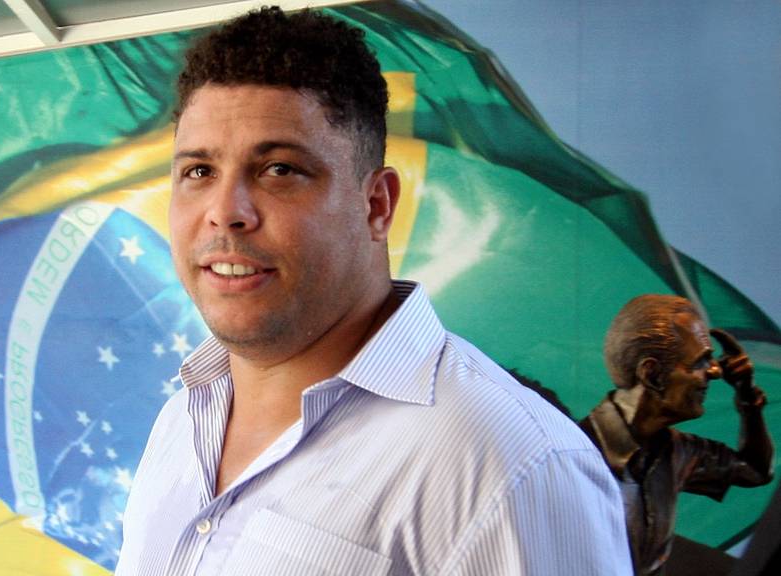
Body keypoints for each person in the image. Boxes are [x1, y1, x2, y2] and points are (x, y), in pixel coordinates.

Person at [116, 7, 632, 575]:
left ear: (376, 205)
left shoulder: (512, 463)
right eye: (198, 172)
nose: (225, 212)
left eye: (279, 169)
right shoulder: (181, 421)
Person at [580, 294, 774, 576]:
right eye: (700, 362)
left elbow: (756, 471)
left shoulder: (678, 451)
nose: (716, 371)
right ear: (652, 374)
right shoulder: (576, 451)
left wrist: (747, 397)